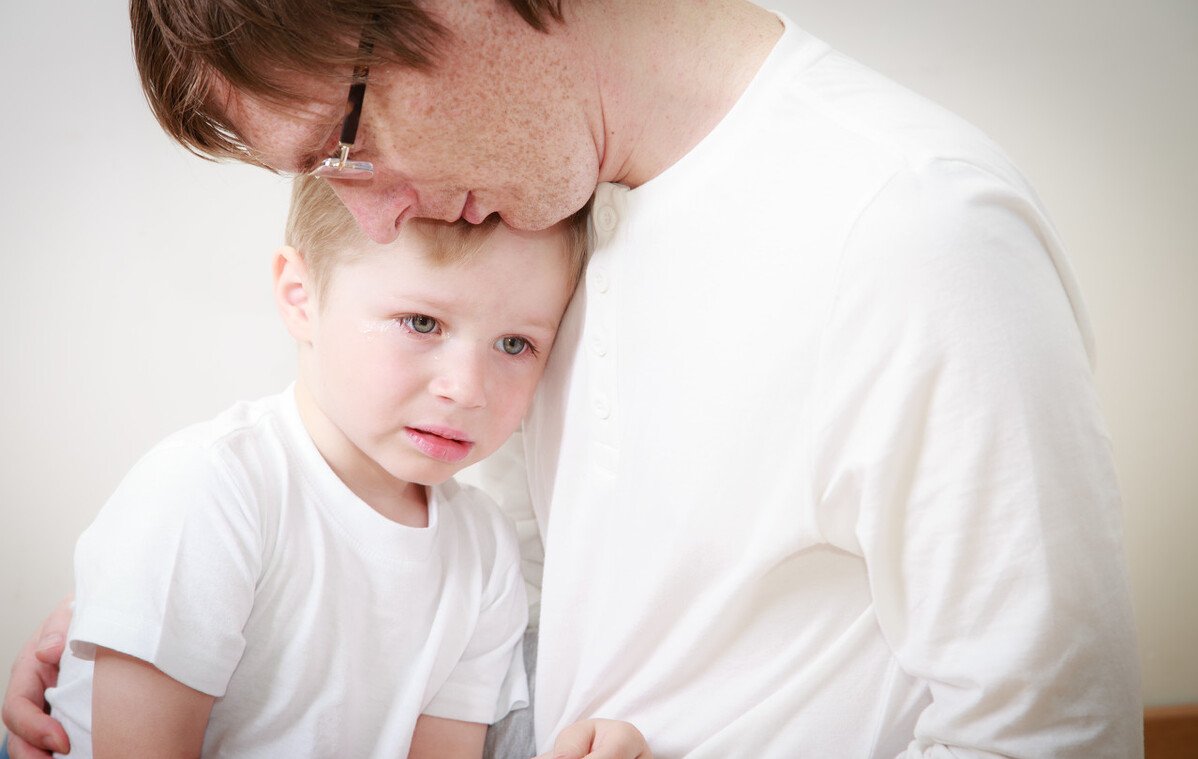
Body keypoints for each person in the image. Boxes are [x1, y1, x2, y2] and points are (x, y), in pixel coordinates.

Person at [4, 0, 1143, 756]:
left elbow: (1043, 732)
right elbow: (526, 600)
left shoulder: (911, 231)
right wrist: (174, 632)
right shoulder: (545, 215)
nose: (374, 212)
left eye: (341, 144)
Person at [4, 174, 649, 759]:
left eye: (516, 344)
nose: (467, 388)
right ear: (301, 295)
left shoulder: (483, 553)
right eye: (421, 322)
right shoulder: (211, 489)